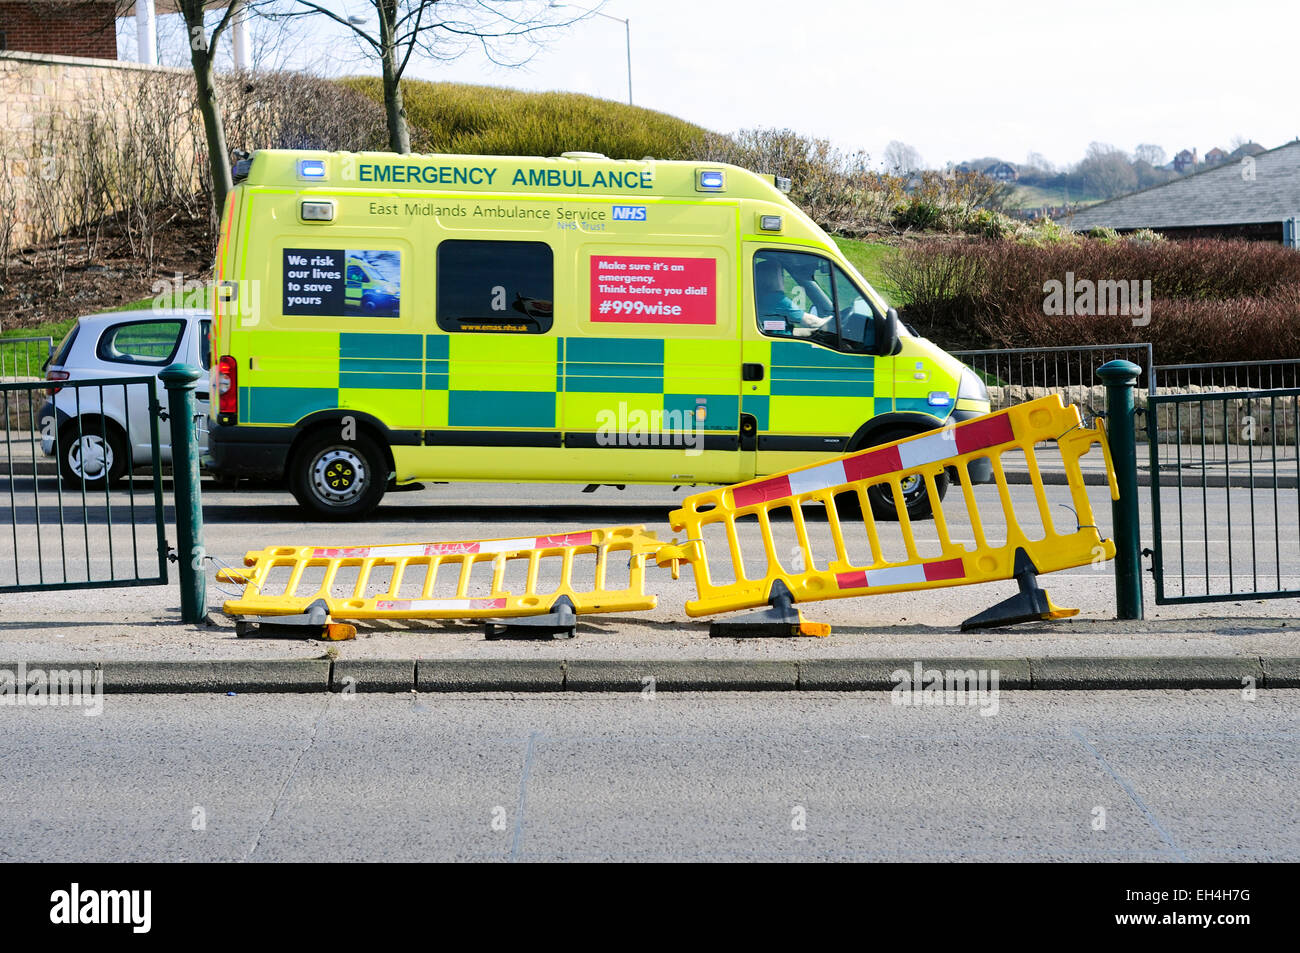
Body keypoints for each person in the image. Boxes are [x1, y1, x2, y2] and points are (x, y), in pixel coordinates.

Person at [754, 256, 835, 336]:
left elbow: (783, 330)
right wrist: (833, 320)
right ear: (770, 278)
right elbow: (811, 322)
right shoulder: (775, 299)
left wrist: (812, 332)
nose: (783, 279)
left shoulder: (760, 297)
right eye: (780, 275)